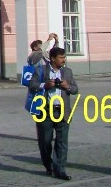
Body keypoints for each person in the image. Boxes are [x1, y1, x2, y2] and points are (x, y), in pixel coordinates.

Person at [28, 46, 78, 180]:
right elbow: (32, 84)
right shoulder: (41, 70)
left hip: (62, 111)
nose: (64, 60)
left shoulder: (67, 72)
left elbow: (75, 89)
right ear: (52, 58)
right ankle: (48, 165)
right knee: (45, 141)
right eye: (61, 57)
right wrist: (44, 85)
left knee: (62, 142)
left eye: (64, 57)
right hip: (45, 110)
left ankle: (60, 169)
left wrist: (67, 86)